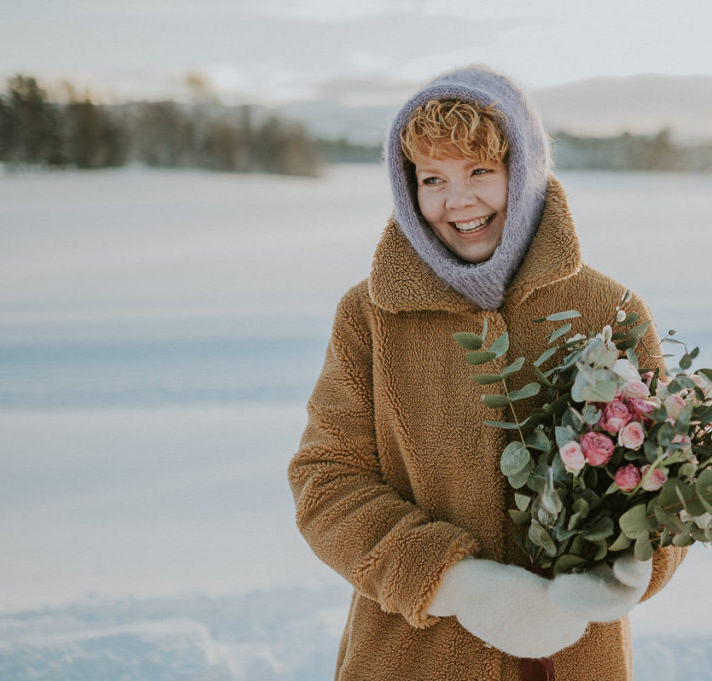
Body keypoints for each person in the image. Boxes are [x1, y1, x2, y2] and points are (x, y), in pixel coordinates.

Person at [288, 64, 687, 681]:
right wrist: (457, 585)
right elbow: (326, 484)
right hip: (409, 661)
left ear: (522, 174)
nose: (459, 200)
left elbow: (670, 477)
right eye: (433, 178)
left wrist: (630, 568)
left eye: (480, 171)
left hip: (576, 659)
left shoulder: (610, 309)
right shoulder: (368, 315)